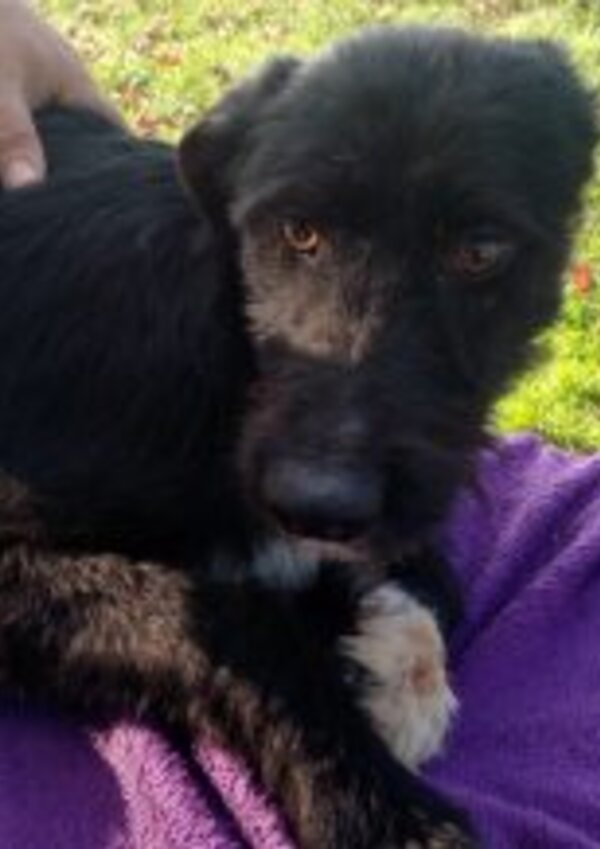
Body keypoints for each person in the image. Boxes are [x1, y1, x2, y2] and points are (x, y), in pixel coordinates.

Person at [1, 5, 600, 849]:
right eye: (302, 234)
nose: (332, 467)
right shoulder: (126, 405)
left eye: (475, 254)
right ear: (224, 193)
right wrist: (284, 708)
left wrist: (409, 591)